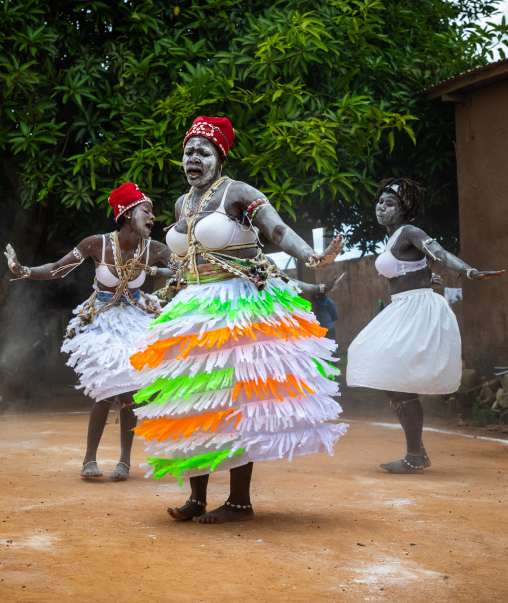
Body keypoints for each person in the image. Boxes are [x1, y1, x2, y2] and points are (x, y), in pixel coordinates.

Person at [130, 116, 347, 523]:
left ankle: (239, 501)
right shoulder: (182, 203)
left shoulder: (238, 192)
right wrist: (158, 290)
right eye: (188, 150)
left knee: (234, 402)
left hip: (237, 306)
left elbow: (277, 230)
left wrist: (311, 257)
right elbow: (185, 260)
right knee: (194, 402)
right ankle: (196, 497)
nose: (193, 157)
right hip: (193, 310)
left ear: (219, 156)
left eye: (203, 151)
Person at [4, 183, 175, 481]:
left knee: (132, 391)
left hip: (136, 318)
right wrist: (24, 270)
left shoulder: (157, 250)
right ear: (126, 213)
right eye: (146, 211)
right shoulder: (97, 244)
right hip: (101, 320)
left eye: (153, 213)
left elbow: (188, 270)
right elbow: (58, 269)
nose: (152, 218)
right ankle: (89, 460)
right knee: (107, 389)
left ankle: (124, 462)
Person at [346, 178, 505, 473]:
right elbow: (417, 268)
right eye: (380, 202)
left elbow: (440, 254)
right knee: (383, 373)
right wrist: (427, 275)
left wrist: (468, 271)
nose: (382, 207)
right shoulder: (392, 237)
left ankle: (415, 455)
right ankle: (416, 453)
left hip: (418, 309)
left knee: (398, 382)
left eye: (390, 203)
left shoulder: (411, 231)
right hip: (402, 308)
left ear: (404, 208)